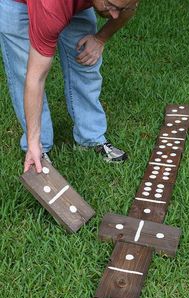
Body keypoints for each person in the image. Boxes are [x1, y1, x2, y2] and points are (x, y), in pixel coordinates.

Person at [0, 0, 139, 172]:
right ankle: (38, 148)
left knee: (86, 59)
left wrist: (100, 39)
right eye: (110, 5)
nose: (115, 15)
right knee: (25, 70)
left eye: (121, 8)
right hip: (18, 4)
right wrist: (34, 142)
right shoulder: (51, 8)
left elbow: (130, 7)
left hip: (72, 5)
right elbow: (35, 78)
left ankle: (90, 138)